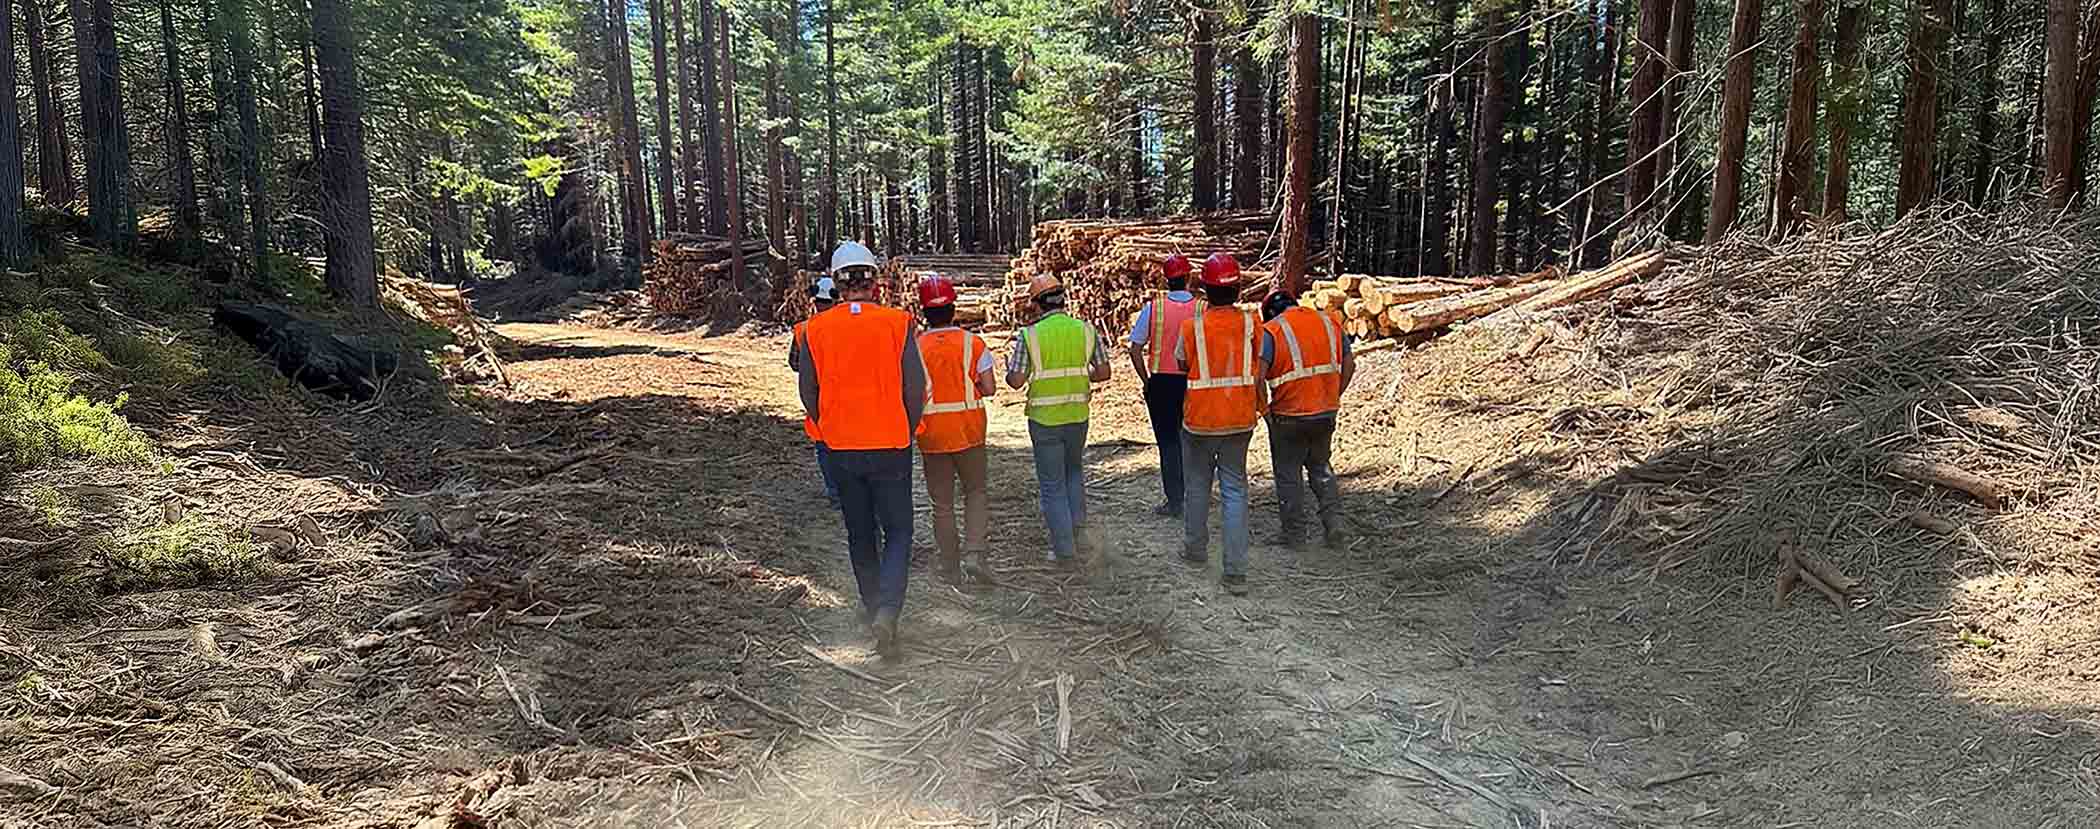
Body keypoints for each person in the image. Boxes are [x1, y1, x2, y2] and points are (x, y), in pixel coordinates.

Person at [796, 241, 928, 660]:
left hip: (841, 447)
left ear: (836, 284)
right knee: (899, 531)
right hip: (891, 444)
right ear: (876, 282)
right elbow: (915, 387)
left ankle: (873, 607)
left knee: (860, 532)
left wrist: (832, 423)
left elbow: (808, 391)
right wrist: (906, 427)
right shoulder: (898, 323)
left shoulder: (814, 330)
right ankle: (888, 610)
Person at [1004, 273, 1113, 565]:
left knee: (1052, 485)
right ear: (1063, 299)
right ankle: (1079, 534)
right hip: (1078, 415)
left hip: (1044, 420)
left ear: (1036, 304)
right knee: (1073, 472)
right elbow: (1104, 372)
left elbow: (1016, 381)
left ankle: (1064, 550)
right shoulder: (1086, 330)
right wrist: (1080, 375)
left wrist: (1007, 367)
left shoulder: (1029, 335)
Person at [1174, 253, 1265, 596]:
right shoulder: (1251, 323)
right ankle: (1236, 572)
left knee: (1198, 485)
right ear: (1238, 288)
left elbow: (1182, 363)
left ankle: (1195, 549)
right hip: (1240, 418)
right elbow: (1261, 361)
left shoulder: (1192, 327)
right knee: (1234, 490)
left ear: (1205, 289)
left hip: (1200, 420)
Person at [914, 274, 998, 585]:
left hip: (932, 433)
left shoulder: (915, 347)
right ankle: (975, 554)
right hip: (969, 430)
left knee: (942, 504)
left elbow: (910, 391)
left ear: (924, 312)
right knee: (975, 492)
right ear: (953, 309)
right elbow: (989, 387)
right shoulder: (973, 343)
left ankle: (949, 566)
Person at [1258, 289, 1354, 550]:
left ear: (1270, 313)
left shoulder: (1272, 331)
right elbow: (1350, 364)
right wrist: (1333, 395)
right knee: (1321, 468)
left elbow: (1257, 377)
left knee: (1288, 474)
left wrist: (1264, 411)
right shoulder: (1329, 322)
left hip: (1288, 415)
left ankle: (1295, 535)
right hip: (1325, 412)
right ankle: (1334, 523)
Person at [1126, 253, 1203, 519]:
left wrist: (1146, 380)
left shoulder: (1154, 309)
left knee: (1168, 443)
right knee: (1194, 442)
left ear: (1166, 280)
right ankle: (1196, 497)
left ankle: (1175, 501)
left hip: (1161, 383)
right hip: (1195, 383)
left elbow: (1135, 348)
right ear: (1189, 277)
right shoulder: (1202, 309)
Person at [789, 277, 841, 506]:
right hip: (846, 394)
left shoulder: (804, 329)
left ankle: (834, 492)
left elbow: (794, 363)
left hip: (817, 397)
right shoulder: (849, 327)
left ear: (815, 301)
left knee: (824, 445)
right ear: (836, 299)